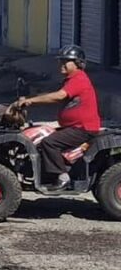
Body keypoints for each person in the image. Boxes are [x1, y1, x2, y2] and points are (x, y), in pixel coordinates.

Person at [14, 45, 101, 190]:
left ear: (78, 64)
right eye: (61, 61)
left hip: (83, 129)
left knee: (49, 142)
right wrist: (30, 99)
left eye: (66, 61)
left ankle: (62, 177)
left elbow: (59, 96)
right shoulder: (70, 80)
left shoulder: (79, 79)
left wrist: (31, 101)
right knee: (40, 135)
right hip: (74, 127)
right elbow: (56, 95)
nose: (61, 64)